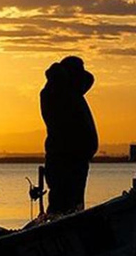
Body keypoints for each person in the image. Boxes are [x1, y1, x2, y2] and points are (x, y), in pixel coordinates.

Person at [40, 55, 98, 215]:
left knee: (75, 206)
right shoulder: (54, 93)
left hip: (78, 159)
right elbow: (58, 78)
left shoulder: (72, 93)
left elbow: (88, 80)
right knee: (61, 204)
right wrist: (62, 72)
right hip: (63, 158)